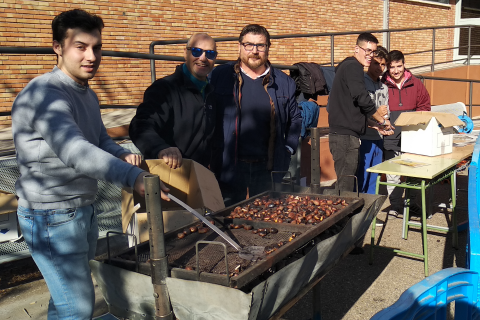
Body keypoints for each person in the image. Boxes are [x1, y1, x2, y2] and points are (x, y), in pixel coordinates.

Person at [11, 9, 169, 320]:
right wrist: (130, 175)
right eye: (80, 46)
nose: (91, 56)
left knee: (66, 300)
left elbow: (99, 141)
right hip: (50, 216)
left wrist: (121, 153)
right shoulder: (45, 94)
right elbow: (76, 151)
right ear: (57, 47)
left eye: (96, 47)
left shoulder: (87, 93)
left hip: (82, 207)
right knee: (78, 306)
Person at [210, 24, 302, 206]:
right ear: (239, 46)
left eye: (260, 45)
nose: (254, 51)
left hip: (268, 166)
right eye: (249, 45)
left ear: (268, 47)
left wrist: (289, 148)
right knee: (227, 217)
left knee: (265, 217)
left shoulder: (285, 83)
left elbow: (295, 119)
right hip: (229, 165)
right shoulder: (220, 76)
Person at [130, 33, 220, 169]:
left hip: (199, 176)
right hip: (169, 174)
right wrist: (161, 148)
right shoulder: (164, 89)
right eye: (196, 51)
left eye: (210, 54)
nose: (203, 58)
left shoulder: (211, 93)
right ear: (185, 53)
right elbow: (141, 125)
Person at [327, 33, 391, 192]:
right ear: (357, 49)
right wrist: (381, 121)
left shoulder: (348, 68)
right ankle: (343, 217)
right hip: (344, 137)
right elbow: (362, 98)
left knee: (347, 184)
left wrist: (374, 125)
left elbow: (352, 106)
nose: (370, 56)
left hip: (346, 135)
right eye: (367, 50)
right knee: (346, 187)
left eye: (373, 52)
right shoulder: (354, 67)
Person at [381, 50, 431, 218]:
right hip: (390, 137)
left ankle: (410, 203)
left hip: (412, 137)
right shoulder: (382, 84)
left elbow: (425, 106)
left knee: (413, 173)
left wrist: (416, 123)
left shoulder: (416, 83)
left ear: (404, 64)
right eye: (391, 67)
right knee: (393, 174)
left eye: (399, 66)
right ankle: (395, 205)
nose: (395, 71)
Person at [356, 46, 391, 194]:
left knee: (374, 178)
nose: (380, 67)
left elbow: (386, 112)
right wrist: (377, 113)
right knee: (362, 176)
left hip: (379, 137)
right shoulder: (361, 82)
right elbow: (359, 109)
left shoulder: (384, 87)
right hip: (363, 136)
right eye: (377, 63)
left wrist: (385, 117)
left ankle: (370, 213)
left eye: (383, 64)